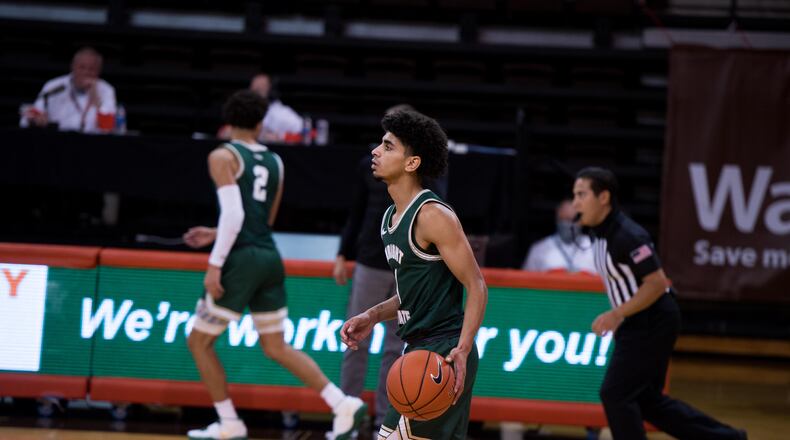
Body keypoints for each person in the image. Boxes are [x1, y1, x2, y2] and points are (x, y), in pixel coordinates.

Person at [182, 90, 366, 440]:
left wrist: (215, 263)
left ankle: (230, 423)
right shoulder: (275, 161)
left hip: (241, 259)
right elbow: (263, 219)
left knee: (198, 342)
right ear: (260, 122)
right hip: (268, 254)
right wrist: (215, 232)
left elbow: (236, 214)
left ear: (227, 121)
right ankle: (341, 403)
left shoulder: (222, 155)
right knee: (275, 346)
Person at [341, 109, 488, 440]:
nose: (376, 152)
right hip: (418, 348)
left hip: (444, 350)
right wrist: (372, 315)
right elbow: (412, 291)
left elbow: (476, 285)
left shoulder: (432, 215)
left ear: (412, 163)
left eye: (388, 146)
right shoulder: (390, 218)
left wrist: (462, 350)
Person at [572, 167, 747, 440]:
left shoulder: (628, 236)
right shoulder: (599, 233)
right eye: (574, 195)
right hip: (639, 322)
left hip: (652, 320)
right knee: (646, 401)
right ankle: (726, 438)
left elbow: (657, 283)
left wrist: (616, 314)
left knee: (615, 393)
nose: (575, 203)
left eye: (582, 194)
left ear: (604, 197)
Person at [20, 47, 117, 133]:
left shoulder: (106, 90)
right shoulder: (54, 86)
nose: (86, 72)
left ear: (98, 71)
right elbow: (29, 117)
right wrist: (36, 120)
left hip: (92, 144)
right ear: (73, 66)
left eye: (91, 69)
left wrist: (96, 101)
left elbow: (108, 128)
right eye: (81, 67)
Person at [217, 73, 303, 143]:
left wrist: (282, 138)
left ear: (270, 89)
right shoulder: (244, 109)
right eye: (253, 88)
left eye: (260, 88)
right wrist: (227, 132)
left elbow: (302, 136)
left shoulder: (283, 113)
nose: (256, 92)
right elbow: (223, 132)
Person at [522, 199, 596, 274]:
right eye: (566, 219)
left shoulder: (595, 247)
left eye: (574, 220)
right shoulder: (539, 249)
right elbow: (526, 281)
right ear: (557, 219)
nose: (570, 224)